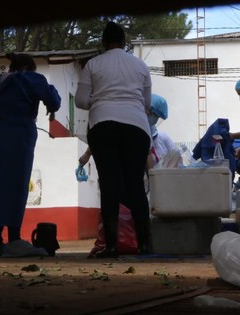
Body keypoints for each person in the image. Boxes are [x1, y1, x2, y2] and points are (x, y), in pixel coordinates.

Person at [0, 53, 61, 258]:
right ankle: (14, 239)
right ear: (29, 67)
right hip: (18, 135)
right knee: (15, 184)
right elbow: (52, 100)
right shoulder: (31, 79)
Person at [75, 21, 152, 258]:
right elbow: (146, 105)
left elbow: (79, 100)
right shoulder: (140, 66)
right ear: (125, 41)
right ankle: (145, 245)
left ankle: (110, 246)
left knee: (109, 185)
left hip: (102, 125)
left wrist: (99, 100)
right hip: (137, 127)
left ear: (103, 42)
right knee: (135, 185)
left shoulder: (94, 64)